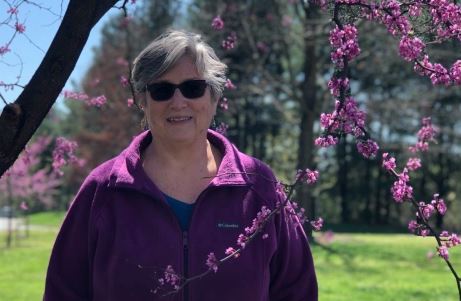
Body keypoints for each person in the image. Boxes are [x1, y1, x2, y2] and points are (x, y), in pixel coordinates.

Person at [43, 29, 317, 301]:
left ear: (214, 96)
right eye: (161, 90)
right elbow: (63, 292)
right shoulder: (103, 191)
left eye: (193, 88)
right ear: (143, 101)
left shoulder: (259, 187)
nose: (178, 102)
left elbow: (297, 291)